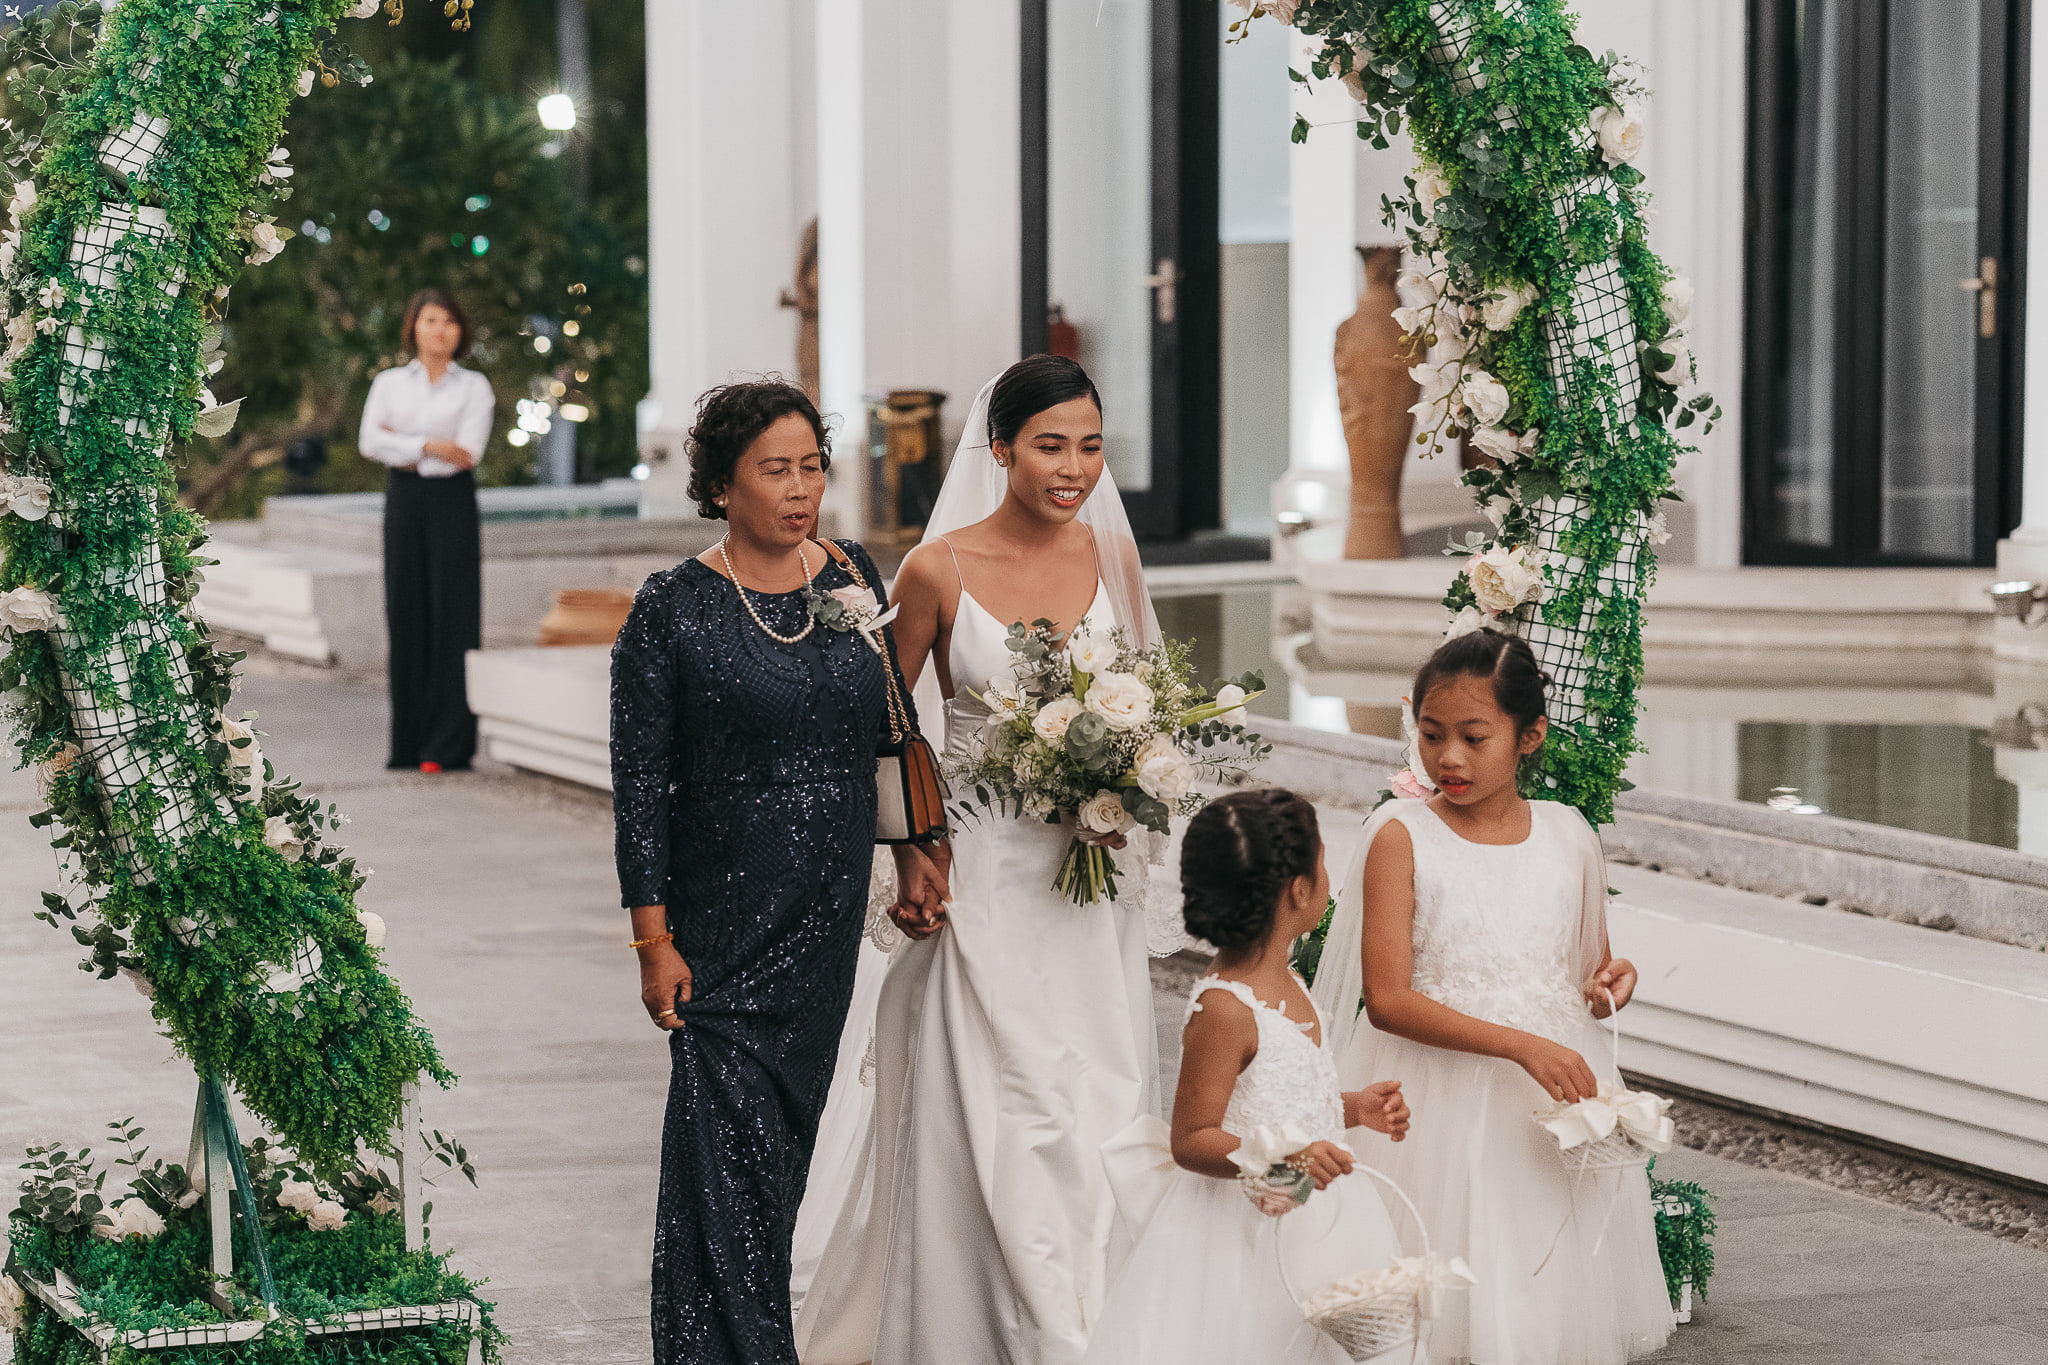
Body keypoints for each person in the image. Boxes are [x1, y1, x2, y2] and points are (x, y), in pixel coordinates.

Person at [795, 355, 1163, 1365]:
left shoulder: (1112, 557)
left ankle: (1101, 1313)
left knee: (1095, 1085)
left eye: (1089, 446)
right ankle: (1022, 1327)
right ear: (998, 450)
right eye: (1050, 446)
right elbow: (886, 719)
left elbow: (1151, 702)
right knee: (1009, 1102)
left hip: (1086, 880)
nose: (1073, 468)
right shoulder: (937, 568)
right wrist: (913, 852)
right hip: (980, 875)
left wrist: (1124, 782)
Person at [609, 379, 945, 1365]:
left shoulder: (848, 574)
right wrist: (652, 937)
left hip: (826, 908)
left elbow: (891, 725)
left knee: (780, 1148)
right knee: (721, 1156)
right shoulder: (671, 608)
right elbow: (637, 786)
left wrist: (914, 849)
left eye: (811, 466)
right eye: (773, 470)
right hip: (719, 923)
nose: (798, 490)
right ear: (719, 483)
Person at [1312, 629, 1674, 1364]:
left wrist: (1612, 985)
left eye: (1474, 737)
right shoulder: (1401, 834)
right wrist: (1521, 1043)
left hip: (1547, 1108)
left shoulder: (1569, 834)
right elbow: (1386, 998)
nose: (1448, 757)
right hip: (1433, 1098)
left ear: (1528, 735)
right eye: (1431, 734)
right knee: (1445, 1293)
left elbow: (1589, 971)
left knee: (1542, 1285)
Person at [1084, 788, 1412, 1365]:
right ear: (1300, 890)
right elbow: (1192, 1138)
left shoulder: (1284, 980)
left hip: (1315, 1212)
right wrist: (1286, 1161)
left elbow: (1280, 1099)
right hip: (1242, 1231)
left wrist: (1351, 1107)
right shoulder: (1226, 1008)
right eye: (1323, 862)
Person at [358, 289, 494, 773]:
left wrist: (408, 444)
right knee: (406, 611)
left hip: (453, 501)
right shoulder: (390, 383)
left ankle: (448, 746)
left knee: (454, 614)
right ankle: (408, 744)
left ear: (461, 331)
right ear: (413, 327)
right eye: (431, 320)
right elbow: (370, 442)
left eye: (450, 322)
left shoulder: (474, 386)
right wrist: (431, 445)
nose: (441, 330)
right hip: (404, 499)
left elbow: (469, 452)